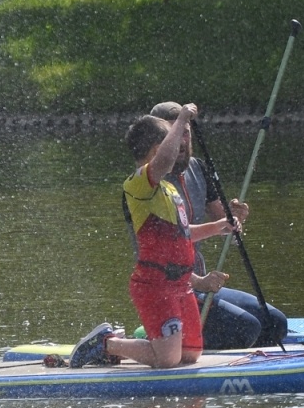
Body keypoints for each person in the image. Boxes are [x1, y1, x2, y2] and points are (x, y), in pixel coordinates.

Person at [72, 104, 247, 369]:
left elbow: (182, 234)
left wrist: (221, 226)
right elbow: (164, 161)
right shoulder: (139, 183)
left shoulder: (167, 188)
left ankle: (142, 343)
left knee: (190, 355)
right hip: (155, 285)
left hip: (180, 285)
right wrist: (184, 117)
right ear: (156, 149)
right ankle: (106, 343)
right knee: (167, 360)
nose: (180, 146)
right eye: (173, 140)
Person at [149, 101, 288, 349]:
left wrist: (234, 216)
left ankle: (257, 374)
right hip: (172, 288)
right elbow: (161, 250)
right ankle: (163, 340)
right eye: (172, 135)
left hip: (199, 286)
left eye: (185, 133)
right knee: (247, 327)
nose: (180, 142)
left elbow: (223, 221)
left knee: (275, 323)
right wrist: (199, 281)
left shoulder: (198, 168)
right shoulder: (150, 184)